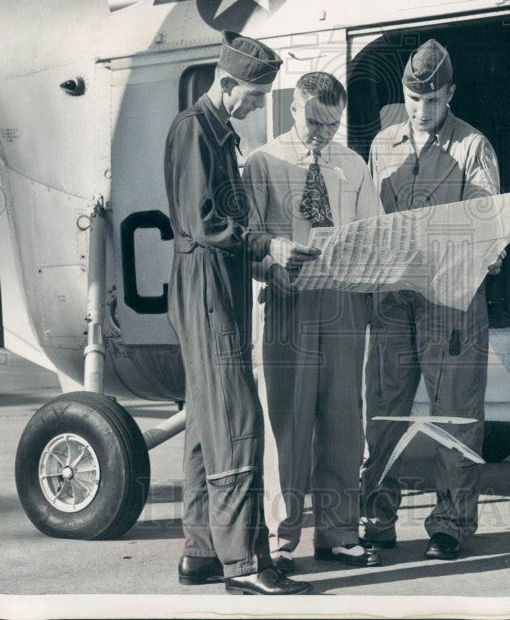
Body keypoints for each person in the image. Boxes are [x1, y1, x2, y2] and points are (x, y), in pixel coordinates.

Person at [164, 30, 319, 596]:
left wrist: (264, 263)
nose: (258, 106)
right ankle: (245, 566)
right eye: (253, 96)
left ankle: (202, 551)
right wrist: (268, 246)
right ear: (225, 83)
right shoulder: (194, 130)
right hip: (205, 285)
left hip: (216, 281)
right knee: (237, 422)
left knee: (210, 423)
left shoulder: (216, 131)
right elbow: (205, 222)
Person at [358, 39, 501, 561]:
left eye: (434, 101)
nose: (423, 111)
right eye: (414, 100)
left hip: (451, 301)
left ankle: (451, 525)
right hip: (394, 299)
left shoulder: (473, 147)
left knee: (456, 414)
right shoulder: (382, 145)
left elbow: (485, 225)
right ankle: (375, 519)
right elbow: (371, 221)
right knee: (382, 412)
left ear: (451, 94)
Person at [243, 72, 382, 571]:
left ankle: (339, 532)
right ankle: (282, 540)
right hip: (287, 303)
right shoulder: (264, 162)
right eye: (314, 121)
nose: (323, 133)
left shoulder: (351, 164)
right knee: (287, 423)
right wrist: (271, 266)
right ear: (293, 108)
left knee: (345, 419)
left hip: (342, 301)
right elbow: (247, 241)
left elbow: (374, 232)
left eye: (333, 124)